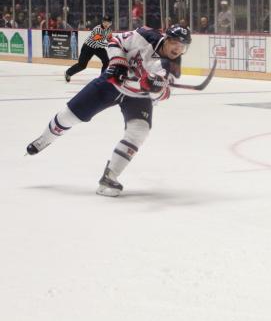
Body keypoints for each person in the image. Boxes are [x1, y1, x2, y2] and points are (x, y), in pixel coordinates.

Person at [26, 24, 192, 197]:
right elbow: (115, 40)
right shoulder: (145, 35)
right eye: (175, 43)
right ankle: (44, 139)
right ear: (166, 38)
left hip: (138, 96)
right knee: (70, 116)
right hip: (111, 83)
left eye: (183, 46)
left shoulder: (173, 66)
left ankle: (109, 177)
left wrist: (155, 89)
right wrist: (118, 61)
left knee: (140, 131)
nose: (178, 49)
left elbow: (165, 94)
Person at [64, 15, 113, 82]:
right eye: (105, 22)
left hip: (98, 48)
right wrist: (108, 44)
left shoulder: (109, 30)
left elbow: (109, 39)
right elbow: (97, 43)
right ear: (102, 22)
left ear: (111, 23)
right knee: (82, 65)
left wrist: (113, 43)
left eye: (108, 23)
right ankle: (68, 73)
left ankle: (103, 78)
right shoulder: (97, 29)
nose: (106, 24)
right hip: (88, 47)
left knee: (106, 61)